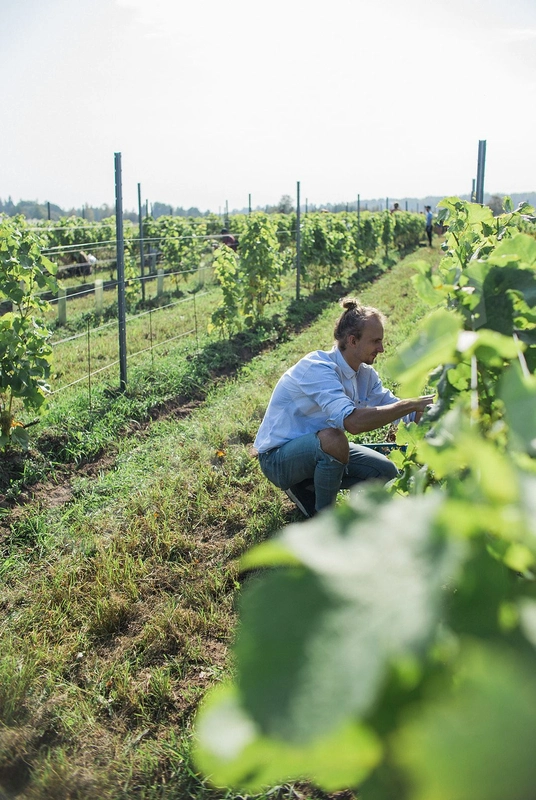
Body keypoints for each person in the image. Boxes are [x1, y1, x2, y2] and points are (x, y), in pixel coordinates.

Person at [253, 298, 434, 517]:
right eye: (375, 341)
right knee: (335, 439)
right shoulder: (318, 368)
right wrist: (410, 404)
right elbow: (353, 422)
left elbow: (399, 413)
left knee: (386, 472)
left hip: (316, 448)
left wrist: (426, 412)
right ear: (353, 340)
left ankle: (307, 486)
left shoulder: (364, 375)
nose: (382, 348)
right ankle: (325, 519)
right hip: (278, 458)